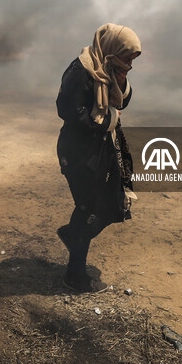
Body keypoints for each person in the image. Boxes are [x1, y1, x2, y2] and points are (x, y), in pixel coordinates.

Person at [55, 23, 141, 293]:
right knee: (87, 208)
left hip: (98, 149)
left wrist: (122, 80)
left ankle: (72, 235)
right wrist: (104, 122)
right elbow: (66, 109)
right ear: (113, 48)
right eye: (127, 58)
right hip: (77, 152)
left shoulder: (109, 67)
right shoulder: (80, 70)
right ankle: (75, 275)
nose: (129, 65)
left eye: (131, 61)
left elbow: (121, 101)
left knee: (104, 202)